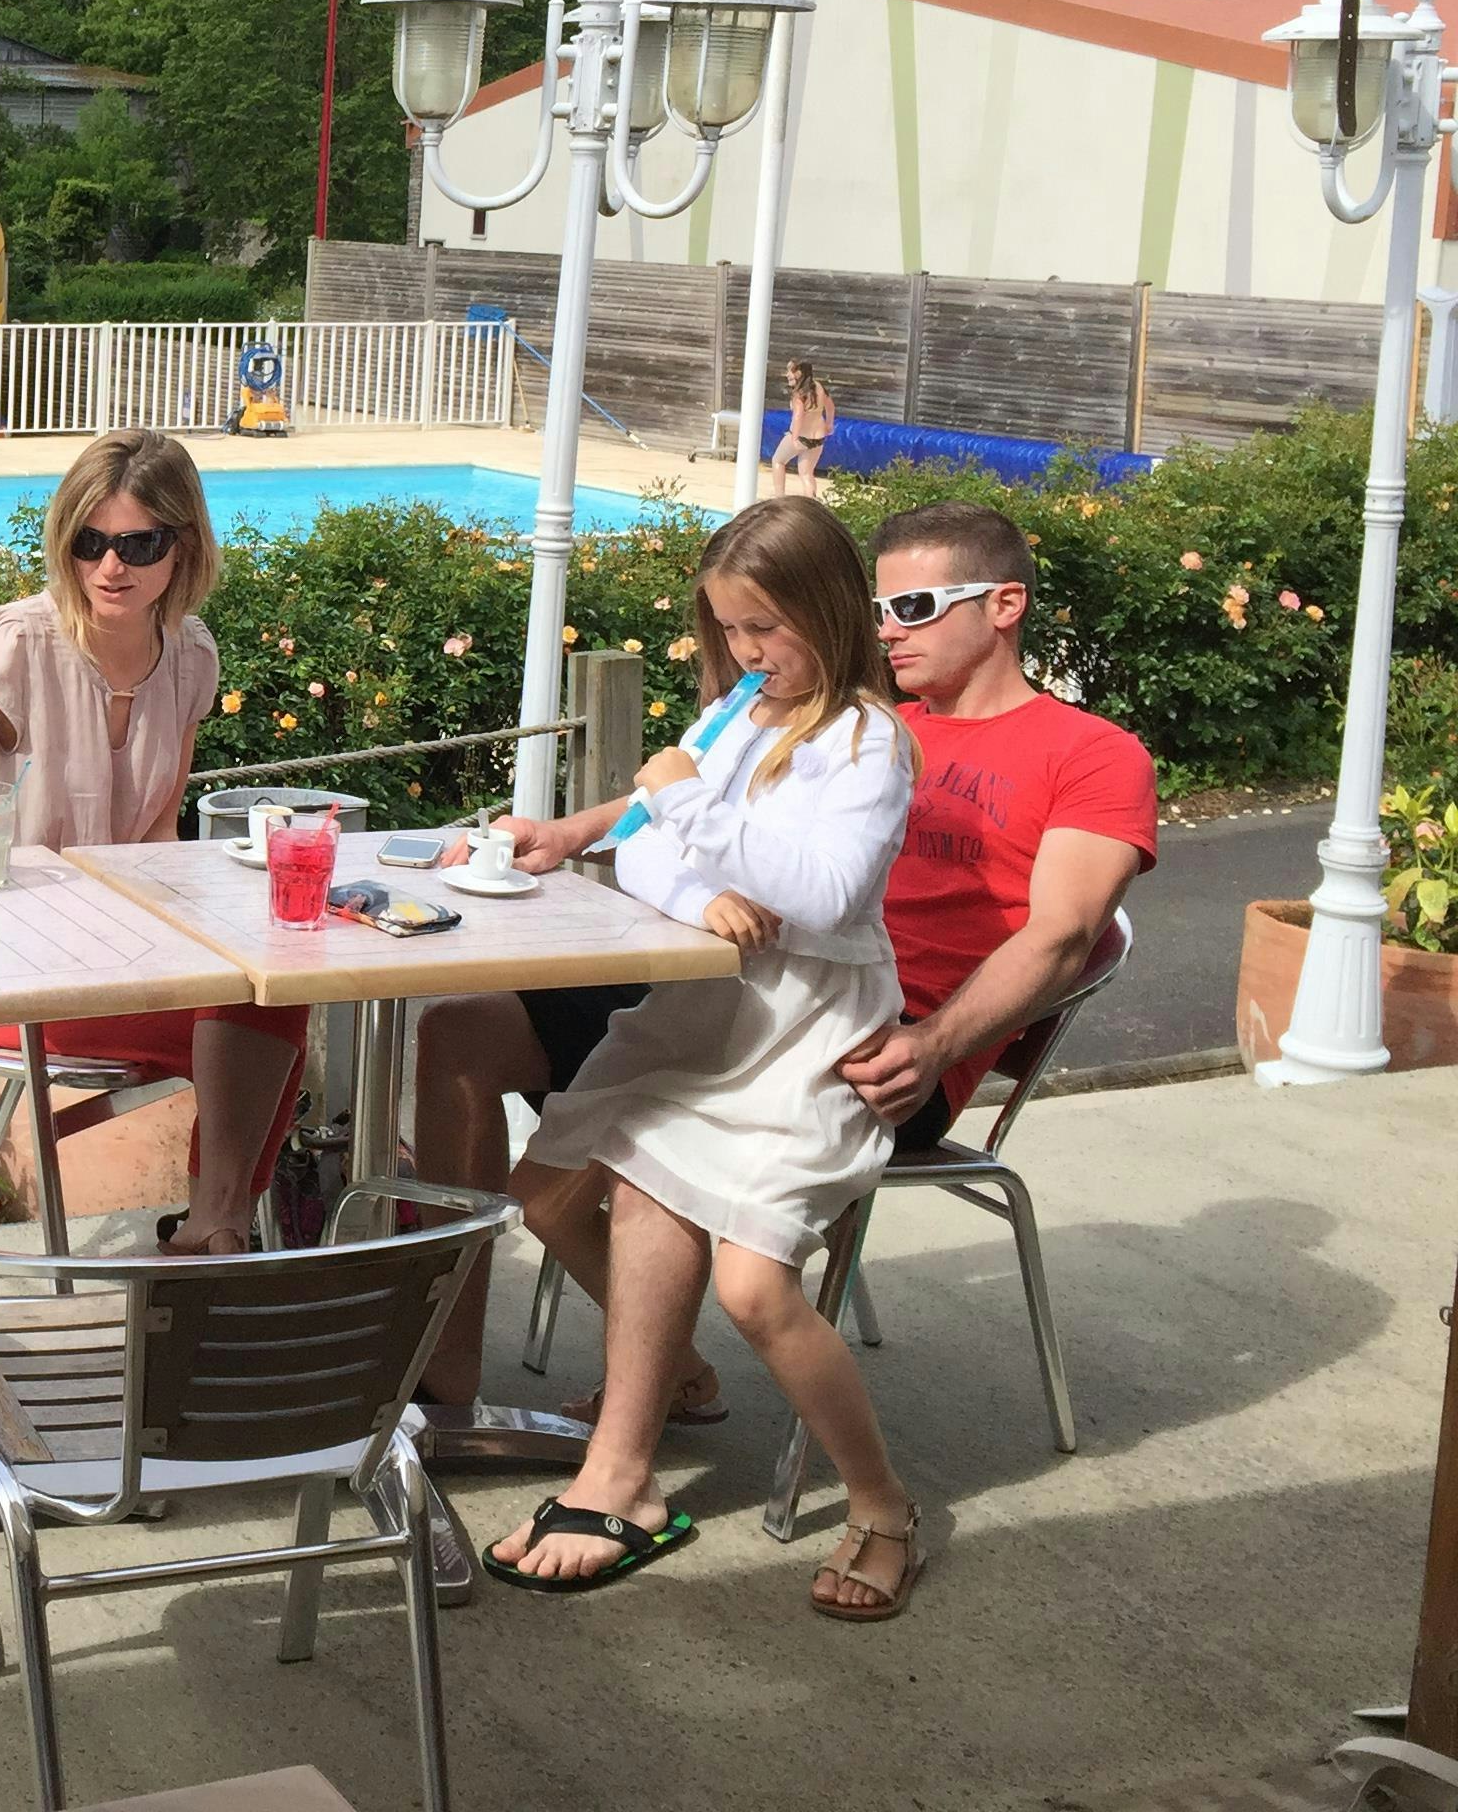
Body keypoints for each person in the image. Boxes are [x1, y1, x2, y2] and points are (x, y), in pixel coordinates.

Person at [406, 500, 1155, 1607]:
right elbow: (690, 799)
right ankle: (493, 1388)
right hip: (729, 976)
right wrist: (584, 831)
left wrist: (936, 1041)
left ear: (1003, 608)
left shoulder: (1076, 752)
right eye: (879, 602)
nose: (888, 627)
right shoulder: (781, 707)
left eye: (911, 605)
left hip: (874, 1038)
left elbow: (1059, 937)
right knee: (475, 1049)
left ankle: (653, 1468)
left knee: (695, 1213)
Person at [471, 498, 922, 1614]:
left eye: (766, 628)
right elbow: (652, 863)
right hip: (707, 1019)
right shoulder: (739, 716)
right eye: (728, 630)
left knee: (758, 1286)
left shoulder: (867, 739)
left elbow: (819, 895)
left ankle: (881, 1506)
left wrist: (690, 821)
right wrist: (691, 866)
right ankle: (668, 1375)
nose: (745, 655)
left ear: (827, 611)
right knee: (545, 1192)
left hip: (802, 1037)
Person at [0, 428, 300, 1258]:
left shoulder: (190, 656)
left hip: (121, 955)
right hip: (5, 962)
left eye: (137, 543)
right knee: (256, 1019)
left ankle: (213, 1222)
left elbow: (156, 830)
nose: (110, 568)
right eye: (89, 543)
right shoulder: (17, 643)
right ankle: (219, 1229)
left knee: (279, 983)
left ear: (183, 548)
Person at [769, 357, 836, 497]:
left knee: (778, 461)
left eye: (791, 371)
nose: (787, 375)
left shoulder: (799, 394)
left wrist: (794, 438)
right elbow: (830, 407)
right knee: (806, 473)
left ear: (799, 373)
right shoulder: (819, 387)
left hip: (801, 436)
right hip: (818, 438)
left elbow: (798, 416)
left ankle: (779, 497)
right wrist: (829, 424)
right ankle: (811, 502)